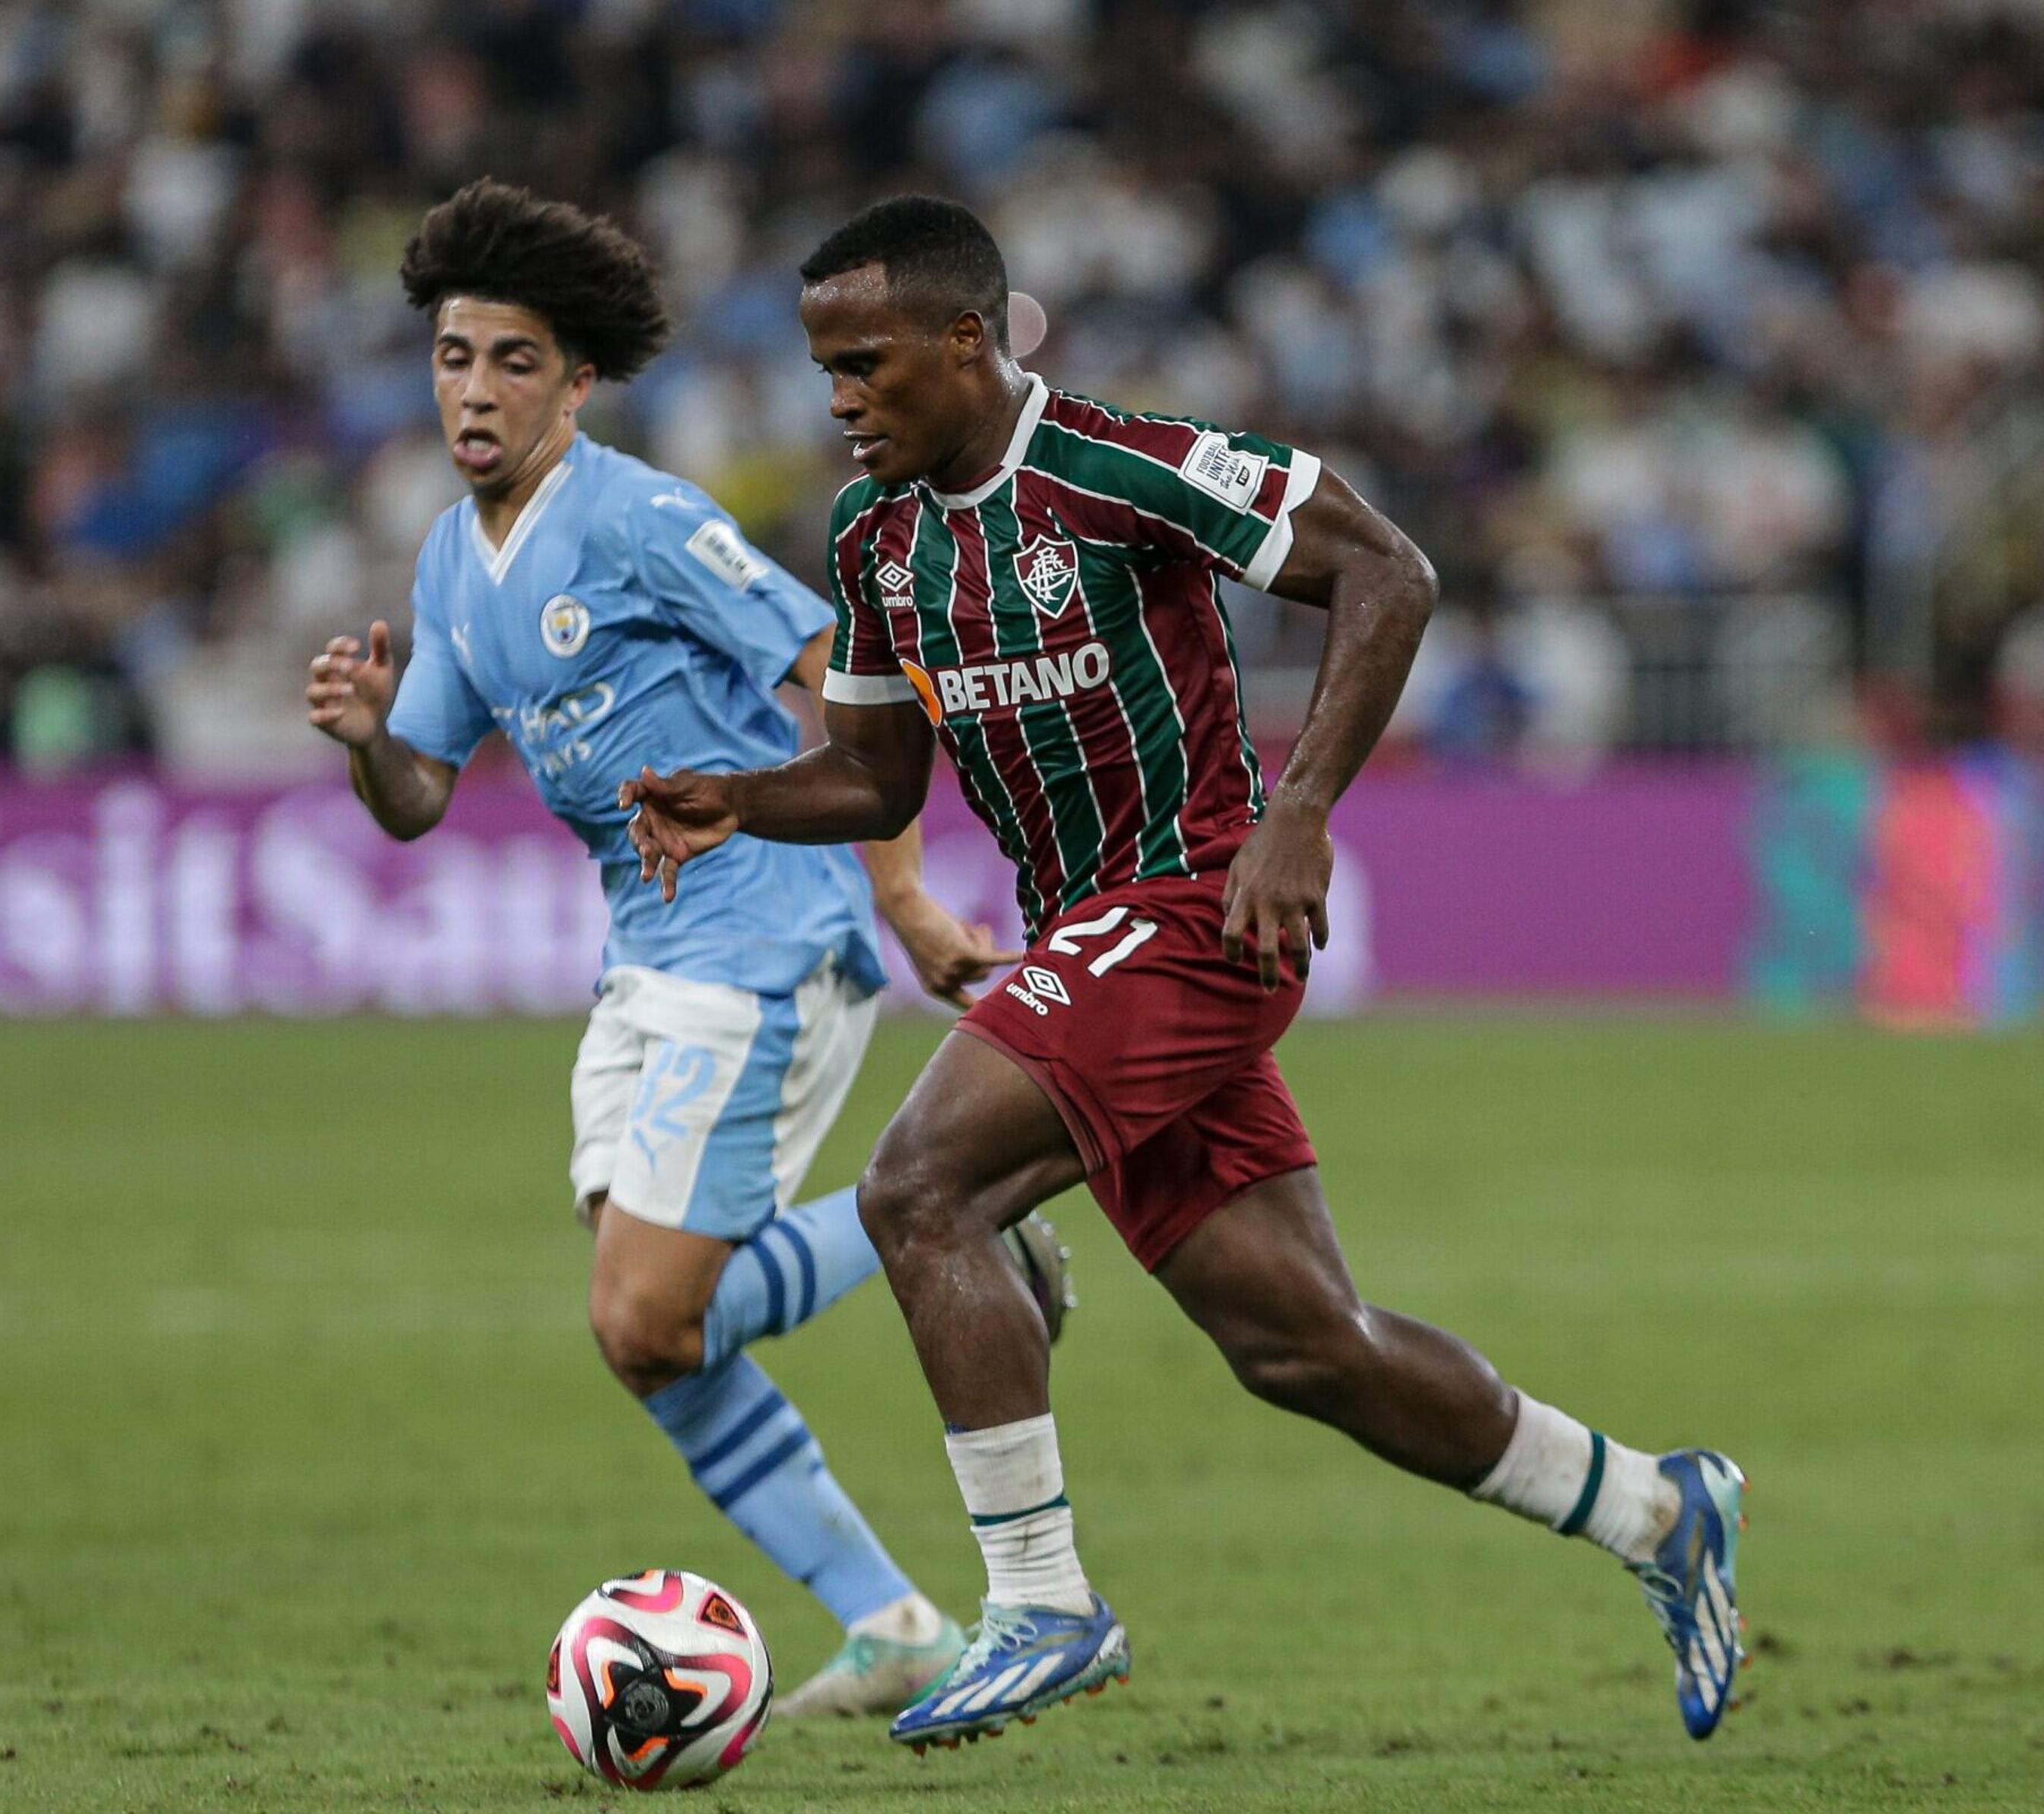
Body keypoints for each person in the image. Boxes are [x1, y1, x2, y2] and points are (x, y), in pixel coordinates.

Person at [622, 196, 1746, 1749]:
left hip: (1195, 911)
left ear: (966, 342)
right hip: (1084, 935)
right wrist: (736, 797)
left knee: (917, 1188)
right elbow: (877, 782)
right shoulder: (875, 541)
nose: (840, 399)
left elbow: (1389, 571)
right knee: (1302, 1343)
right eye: (827, 369)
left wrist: (1297, 814)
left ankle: (1039, 1598)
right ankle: (1654, 1508)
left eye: (867, 364)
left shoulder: (1121, 466)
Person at [307, 180, 1069, 1719]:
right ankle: (898, 1623)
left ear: (576, 379)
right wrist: (364, 739)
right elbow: (418, 803)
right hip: (644, 954)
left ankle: (957, 1213)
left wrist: (908, 898)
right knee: (651, 1340)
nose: (475, 389)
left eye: (514, 361)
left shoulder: (643, 516)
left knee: (649, 1310)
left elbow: (848, 680)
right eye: (456, 357)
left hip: (763, 931)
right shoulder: (456, 564)